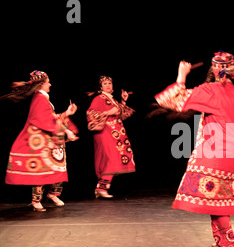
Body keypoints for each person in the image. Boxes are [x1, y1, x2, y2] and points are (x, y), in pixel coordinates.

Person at [155, 51, 234, 247]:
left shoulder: (210, 90)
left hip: (216, 152)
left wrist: (182, 74)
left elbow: (171, 100)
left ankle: (227, 241)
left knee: (215, 197)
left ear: (214, 69)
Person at [5, 71, 79, 211]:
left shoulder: (44, 99)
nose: (50, 84)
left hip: (48, 141)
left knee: (57, 168)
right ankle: (36, 200)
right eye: (48, 82)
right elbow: (44, 121)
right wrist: (66, 130)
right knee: (41, 172)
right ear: (41, 85)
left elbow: (50, 118)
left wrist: (67, 114)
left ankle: (53, 194)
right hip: (39, 142)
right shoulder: (39, 99)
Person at [86, 76, 136, 198]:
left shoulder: (112, 99)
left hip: (116, 134)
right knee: (111, 157)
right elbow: (91, 113)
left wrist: (123, 101)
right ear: (101, 87)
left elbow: (122, 115)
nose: (108, 85)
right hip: (105, 132)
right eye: (105, 83)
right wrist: (108, 113)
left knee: (115, 157)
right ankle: (101, 188)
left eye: (110, 83)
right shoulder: (99, 99)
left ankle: (101, 188)